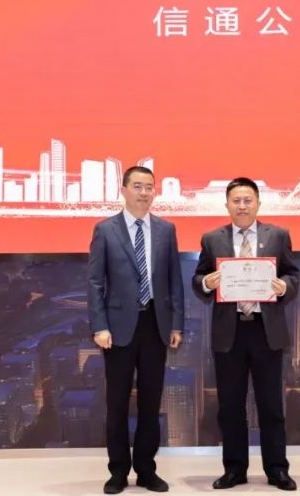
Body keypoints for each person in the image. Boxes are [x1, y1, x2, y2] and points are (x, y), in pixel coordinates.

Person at [193, 177, 300, 491]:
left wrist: (284, 287)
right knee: (230, 407)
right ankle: (235, 469)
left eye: (247, 200)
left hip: (266, 332)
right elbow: (198, 279)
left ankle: (277, 470)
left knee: (271, 406)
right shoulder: (212, 239)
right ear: (227, 205)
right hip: (230, 332)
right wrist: (206, 283)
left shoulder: (278, 236)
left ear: (258, 203)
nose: (242, 206)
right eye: (236, 201)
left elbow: (293, 275)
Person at [88, 166, 184, 494]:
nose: (144, 193)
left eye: (149, 187)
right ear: (124, 190)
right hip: (117, 329)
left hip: (155, 325)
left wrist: (176, 323)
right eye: (138, 186)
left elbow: (174, 281)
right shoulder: (105, 230)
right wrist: (99, 325)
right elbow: (95, 282)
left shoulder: (166, 229)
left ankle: (146, 470)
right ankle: (118, 472)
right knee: (116, 403)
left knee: (150, 403)